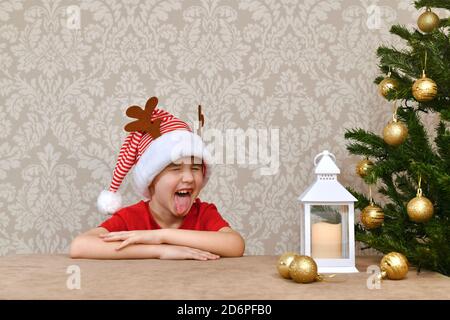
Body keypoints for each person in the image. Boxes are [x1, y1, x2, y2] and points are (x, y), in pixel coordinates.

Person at [70, 97, 245, 260]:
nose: (189, 177)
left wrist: (161, 236)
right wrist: (160, 250)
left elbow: (235, 245)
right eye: (175, 168)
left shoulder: (204, 213)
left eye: (196, 168)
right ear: (151, 179)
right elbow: (80, 246)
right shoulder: (131, 217)